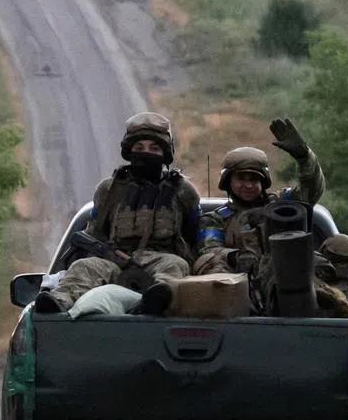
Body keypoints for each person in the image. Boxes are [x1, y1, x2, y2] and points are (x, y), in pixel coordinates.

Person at [33, 112, 201, 315]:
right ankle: (59, 301)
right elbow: (94, 233)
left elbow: (195, 239)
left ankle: (152, 304)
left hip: (160, 258)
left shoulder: (182, 191)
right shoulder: (108, 190)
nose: (145, 153)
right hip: (113, 259)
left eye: (154, 148)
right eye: (139, 148)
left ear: (165, 154)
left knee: (176, 265)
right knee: (84, 266)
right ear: (129, 151)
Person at [192, 118, 325, 278]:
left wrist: (304, 158)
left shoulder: (282, 206)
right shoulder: (215, 220)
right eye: (241, 178)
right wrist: (235, 257)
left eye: (254, 179)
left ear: (263, 182)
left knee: (339, 246)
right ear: (228, 182)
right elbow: (210, 251)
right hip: (240, 288)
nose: (248, 185)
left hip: (289, 282)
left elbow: (311, 191)